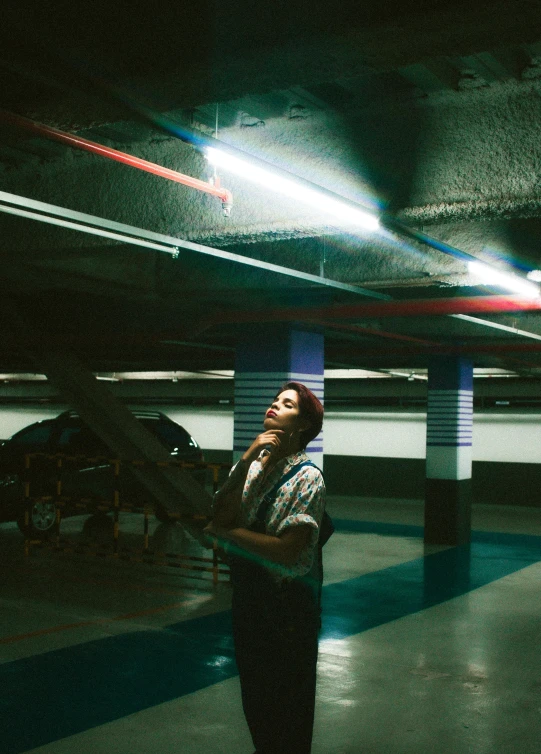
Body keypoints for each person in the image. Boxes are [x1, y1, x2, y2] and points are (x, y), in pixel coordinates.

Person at [205, 381, 325, 754]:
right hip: (251, 604)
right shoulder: (255, 466)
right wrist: (245, 459)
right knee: (256, 702)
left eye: (286, 404)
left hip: (288, 613)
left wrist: (233, 534)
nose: (274, 406)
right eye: (274, 400)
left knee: (287, 710)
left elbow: (287, 551)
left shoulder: (308, 478)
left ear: (303, 424)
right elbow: (219, 512)